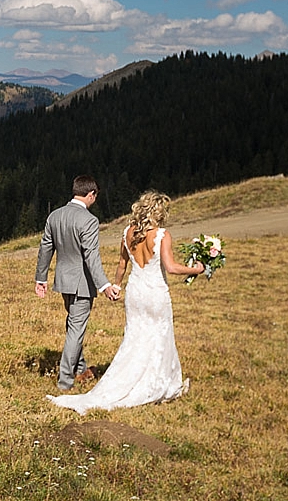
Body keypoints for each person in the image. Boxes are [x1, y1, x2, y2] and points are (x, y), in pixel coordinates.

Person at [47, 189, 204, 414]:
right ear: (159, 213)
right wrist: (195, 269)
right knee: (160, 335)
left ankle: (128, 378)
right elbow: (171, 267)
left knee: (134, 336)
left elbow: (122, 265)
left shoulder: (128, 232)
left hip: (135, 292)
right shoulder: (162, 235)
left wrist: (116, 286)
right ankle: (160, 383)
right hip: (155, 293)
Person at [35, 176, 120, 393]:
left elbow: (46, 248)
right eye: (95, 196)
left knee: (73, 325)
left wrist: (41, 278)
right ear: (91, 194)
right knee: (75, 329)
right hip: (82, 284)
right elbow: (91, 256)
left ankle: (80, 368)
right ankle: (65, 381)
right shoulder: (89, 220)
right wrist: (104, 285)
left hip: (63, 281)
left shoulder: (55, 216)